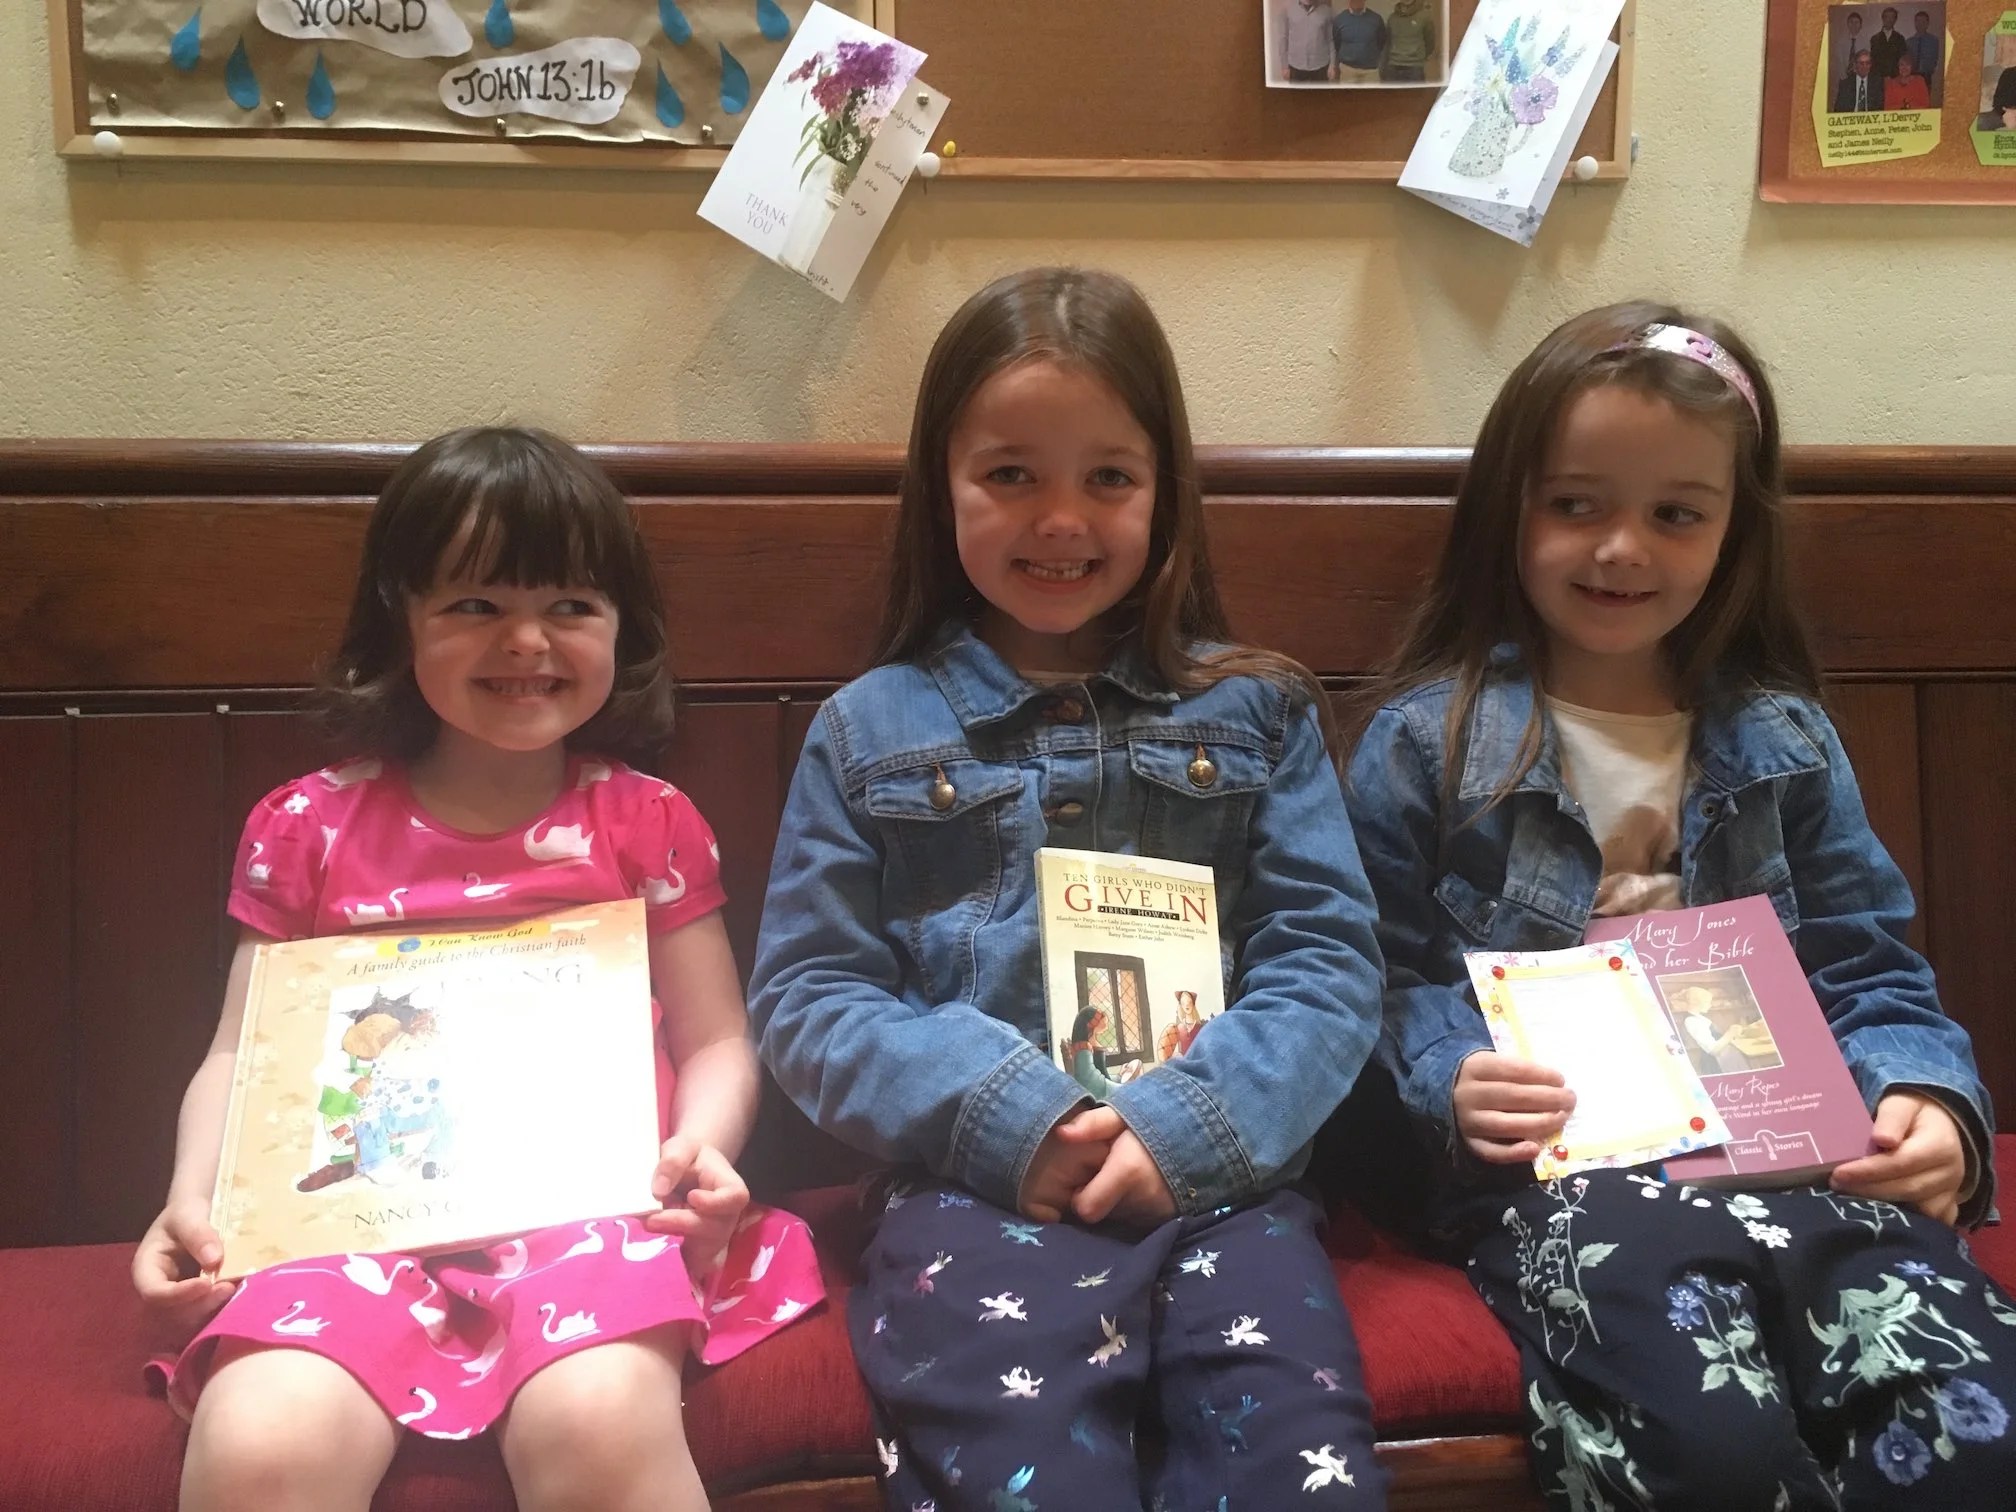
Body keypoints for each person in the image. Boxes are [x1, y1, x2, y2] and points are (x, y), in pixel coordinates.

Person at [1345, 301, 2016, 1508]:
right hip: (1573, 1179)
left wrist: (1932, 1102)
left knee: (1970, 1422)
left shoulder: (1784, 742)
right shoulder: (1427, 744)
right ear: (1511, 510)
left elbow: (1869, 969)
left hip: (1806, 1164)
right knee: (1707, 1444)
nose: (1621, 549)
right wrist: (1448, 1077)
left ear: (1731, 535)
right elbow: (1371, 976)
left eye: (1675, 515)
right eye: (1577, 504)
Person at [751, 267, 1390, 1511]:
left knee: (1296, 1474)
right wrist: (1010, 1119)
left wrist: (1188, 1129)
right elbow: (811, 995)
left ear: (1167, 492)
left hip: (1228, 1188)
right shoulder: (866, 727)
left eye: (1109, 477)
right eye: (1010, 476)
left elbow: (1326, 963)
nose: (1061, 520)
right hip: (967, 1192)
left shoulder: (1257, 710)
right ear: (942, 493)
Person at [132, 426, 822, 1510]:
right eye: (475, 605)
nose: (527, 641)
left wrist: (702, 1148)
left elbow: (718, 1040)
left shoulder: (647, 822)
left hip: (593, 1212)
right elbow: (239, 1051)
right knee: (264, 1441)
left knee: (600, 1420)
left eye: (571, 607)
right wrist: (189, 1199)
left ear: (620, 631)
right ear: (397, 622)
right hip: (335, 1223)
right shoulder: (307, 826)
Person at [1277, 0, 1338, 83]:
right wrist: (1284, 66)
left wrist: (1332, 65)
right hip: (1295, 67)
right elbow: (1283, 38)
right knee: (1296, 96)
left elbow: (1331, 40)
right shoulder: (1288, 10)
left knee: (1320, 96)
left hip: (1321, 66)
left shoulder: (1327, 11)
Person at [1332, 0, 1388, 84]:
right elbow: (1337, 43)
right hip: (1348, 70)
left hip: (1370, 71)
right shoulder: (1339, 19)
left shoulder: (1376, 19)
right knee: (1347, 97)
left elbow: (1381, 41)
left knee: (1374, 97)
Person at [1382, 0, 1436, 83]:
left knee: (1415, 95)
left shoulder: (1425, 17)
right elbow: (1388, 42)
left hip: (1414, 67)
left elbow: (1430, 42)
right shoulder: (1392, 18)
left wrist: (1419, 55)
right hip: (1393, 66)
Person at [1870, 7, 1909, 78]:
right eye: (1887, 17)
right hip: (1878, 78)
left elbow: (1902, 60)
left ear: (1895, 20)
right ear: (1883, 18)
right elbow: (1873, 61)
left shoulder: (1900, 38)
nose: (1889, 20)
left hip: (1895, 78)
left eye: (1892, 17)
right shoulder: (1875, 39)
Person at [1906, 10, 1939, 92]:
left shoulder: (1933, 40)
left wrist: (1929, 70)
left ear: (1927, 24)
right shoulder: (1909, 42)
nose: (1920, 24)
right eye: (1918, 21)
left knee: (1924, 100)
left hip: (1926, 76)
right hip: (1911, 76)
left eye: (1923, 21)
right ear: (1915, 23)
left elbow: (1935, 58)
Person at [1839, 7, 1865, 80]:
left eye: (1856, 22)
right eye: (1851, 22)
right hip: (1844, 77)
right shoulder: (1841, 42)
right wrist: (1844, 77)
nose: (1854, 25)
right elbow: (1840, 62)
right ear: (1847, 24)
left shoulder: (1866, 42)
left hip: (1861, 77)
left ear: (1861, 25)